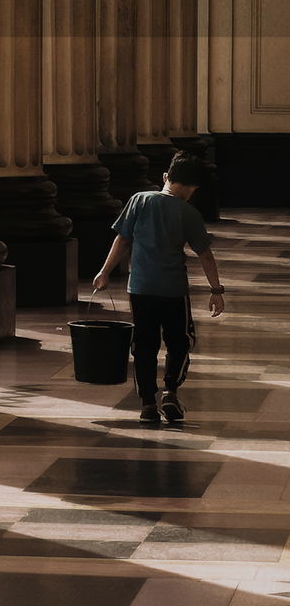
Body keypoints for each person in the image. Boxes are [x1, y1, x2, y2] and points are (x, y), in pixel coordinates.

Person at [93, 151, 225, 425]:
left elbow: (122, 240)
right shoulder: (189, 213)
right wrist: (216, 291)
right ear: (193, 188)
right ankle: (171, 392)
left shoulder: (138, 200)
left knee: (144, 345)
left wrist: (105, 272)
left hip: (140, 288)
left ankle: (147, 404)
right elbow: (206, 256)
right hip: (174, 290)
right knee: (179, 342)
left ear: (166, 177)